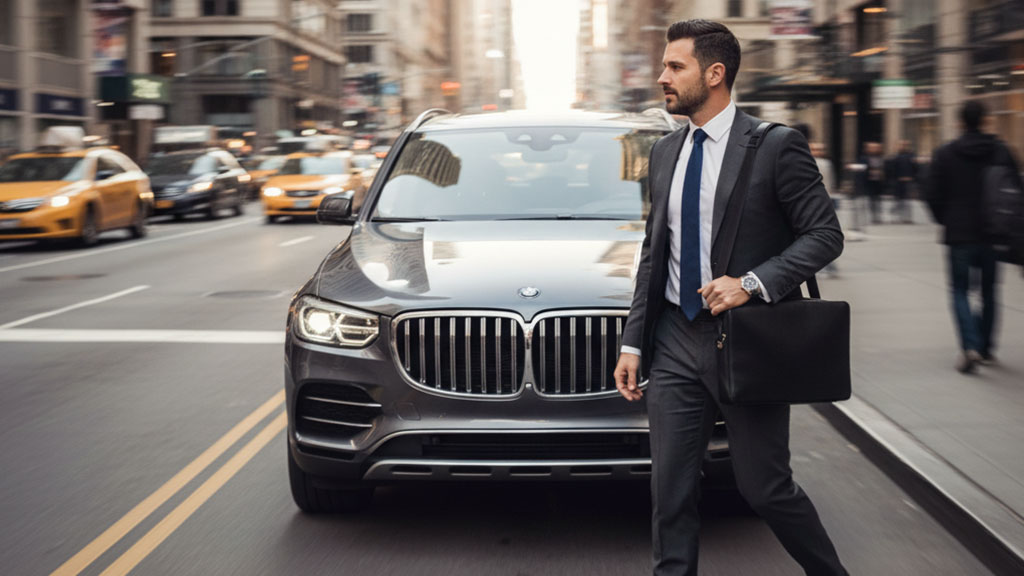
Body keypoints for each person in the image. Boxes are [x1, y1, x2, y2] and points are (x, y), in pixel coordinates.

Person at [613, 19, 848, 576]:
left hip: (747, 342)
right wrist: (633, 342)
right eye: (664, 66)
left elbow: (824, 235)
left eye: (676, 67)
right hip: (674, 338)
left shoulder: (775, 146)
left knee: (765, 488)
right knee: (670, 494)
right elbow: (654, 255)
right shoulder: (664, 152)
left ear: (715, 74)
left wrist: (751, 282)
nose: (662, 77)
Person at [926, 101, 1020, 373]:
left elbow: (932, 193)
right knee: (989, 291)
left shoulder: (945, 153)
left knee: (960, 290)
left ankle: (969, 346)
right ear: (986, 120)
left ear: (959, 123)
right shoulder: (1001, 151)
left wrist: (946, 219)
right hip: (993, 233)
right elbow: (1016, 191)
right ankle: (986, 348)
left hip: (959, 234)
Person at [811, 141, 840, 277]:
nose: (817, 151)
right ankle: (828, 266)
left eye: (819, 149)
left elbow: (830, 182)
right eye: (815, 149)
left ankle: (827, 266)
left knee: (822, 234)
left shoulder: (825, 163)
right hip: (818, 201)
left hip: (822, 201)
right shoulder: (820, 163)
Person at [854, 141, 886, 224]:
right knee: (869, 200)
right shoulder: (864, 158)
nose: (874, 149)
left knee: (877, 200)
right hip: (868, 182)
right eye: (872, 147)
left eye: (876, 147)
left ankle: (877, 216)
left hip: (878, 182)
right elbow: (861, 168)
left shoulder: (881, 158)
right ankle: (871, 216)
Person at [889, 140, 918, 224]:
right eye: (901, 145)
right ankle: (896, 218)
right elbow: (892, 169)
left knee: (907, 201)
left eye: (905, 145)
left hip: (908, 180)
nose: (903, 147)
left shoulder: (911, 157)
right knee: (897, 200)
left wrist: (912, 177)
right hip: (898, 181)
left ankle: (907, 218)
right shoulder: (896, 157)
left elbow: (915, 168)